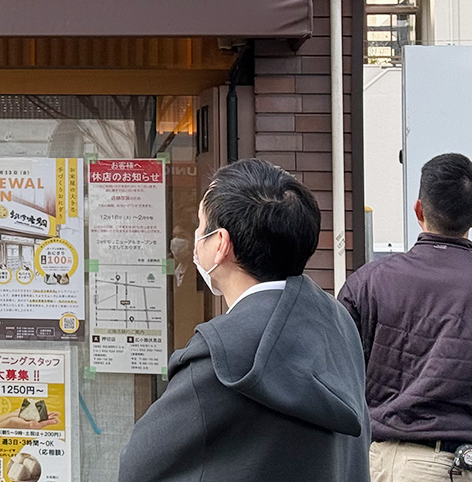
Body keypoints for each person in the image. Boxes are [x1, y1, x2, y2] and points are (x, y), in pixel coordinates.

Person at [118, 158, 370, 482]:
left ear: (220, 244)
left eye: (199, 224)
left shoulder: (218, 353)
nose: (196, 236)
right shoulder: (339, 324)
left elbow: (139, 465)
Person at [339, 153, 472, 481]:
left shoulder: (368, 281)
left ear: (418, 210)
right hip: (447, 464)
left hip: (367, 463)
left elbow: (334, 374)